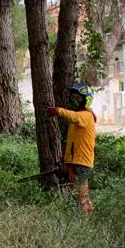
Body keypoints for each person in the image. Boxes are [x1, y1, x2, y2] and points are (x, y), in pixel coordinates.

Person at [46, 83, 96, 215]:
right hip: (75, 162)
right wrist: (65, 161)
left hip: (81, 163)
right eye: (73, 97)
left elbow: (74, 117)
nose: (75, 100)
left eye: (78, 98)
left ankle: (85, 225)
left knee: (81, 197)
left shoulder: (86, 116)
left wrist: (58, 111)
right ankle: (88, 218)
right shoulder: (78, 120)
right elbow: (72, 142)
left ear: (86, 100)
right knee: (78, 195)